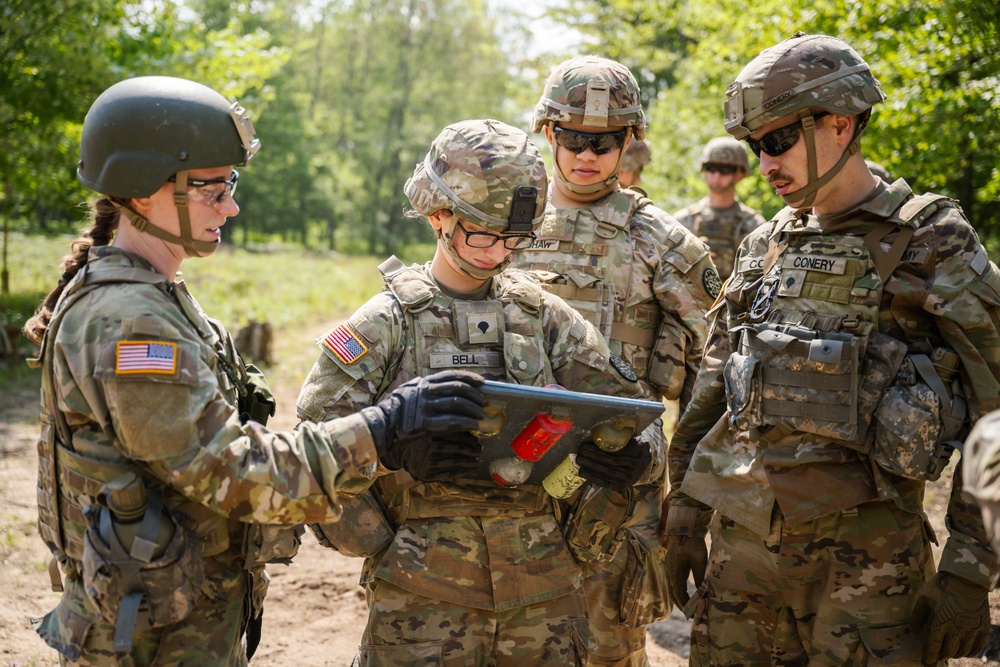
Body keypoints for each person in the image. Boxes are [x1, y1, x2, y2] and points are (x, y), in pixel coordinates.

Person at [24, 76, 483, 666]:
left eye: (229, 184)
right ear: (142, 192)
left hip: (170, 622)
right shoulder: (129, 320)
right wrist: (381, 429)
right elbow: (232, 472)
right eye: (211, 188)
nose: (231, 205)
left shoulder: (154, 294)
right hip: (148, 643)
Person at [664, 32, 1000, 666]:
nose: (763, 164)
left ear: (841, 124)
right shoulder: (765, 242)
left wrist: (968, 567)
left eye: (778, 141)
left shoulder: (931, 241)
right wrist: (683, 505)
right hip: (743, 561)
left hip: (869, 572)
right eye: (754, 146)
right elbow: (715, 377)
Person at [296, 118, 664, 666]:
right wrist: (377, 537)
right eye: (484, 234)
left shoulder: (544, 317)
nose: (497, 253)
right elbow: (313, 446)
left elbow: (638, 416)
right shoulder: (386, 322)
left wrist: (635, 457)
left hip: (544, 593)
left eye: (514, 239)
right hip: (421, 596)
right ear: (438, 215)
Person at [512, 55, 720, 667]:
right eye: (573, 138)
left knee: (608, 647)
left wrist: (684, 487)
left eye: (604, 141)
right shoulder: (503, 220)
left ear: (629, 141)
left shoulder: (659, 240)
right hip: (512, 470)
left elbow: (724, 358)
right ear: (548, 132)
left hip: (616, 482)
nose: (587, 154)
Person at [673, 136, 766, 280]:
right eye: (711, 168)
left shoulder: (754, 226)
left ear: (740, 175)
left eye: (725, 169)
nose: (716, 175)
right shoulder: (683, 221)